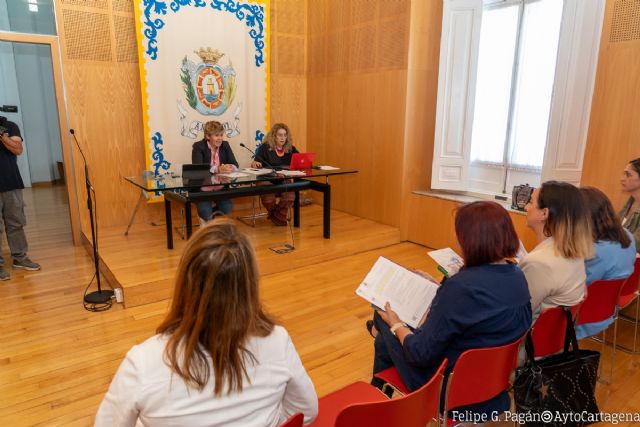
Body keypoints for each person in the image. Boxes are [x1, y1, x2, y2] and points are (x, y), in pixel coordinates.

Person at [95, 220, 318, 426]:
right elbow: (306, 411)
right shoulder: (277, 340)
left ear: (185, 282)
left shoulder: (143, 362)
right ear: (250, 284)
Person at [369, 201, 531, 419]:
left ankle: (378, 401)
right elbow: (477, 307)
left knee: (382, 314)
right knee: (384, 340)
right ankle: (377, 393)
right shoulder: (517, 275)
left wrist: (396, 323)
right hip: (494, 384)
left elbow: (420, 354)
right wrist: (439, 288)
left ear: (470, 239)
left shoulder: (461, 286)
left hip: (448, 390)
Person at [520, 181, 593, 316]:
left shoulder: (539, 262)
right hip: (557, 334)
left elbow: (519, 313)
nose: (525, 207)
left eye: (530, 202)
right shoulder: (574, 251)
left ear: (544, 213)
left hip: (531, 334)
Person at [576, 187, 636, 339]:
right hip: (608, 311)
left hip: (584, 320)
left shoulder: (595, 252)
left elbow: (575, 291)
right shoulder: (627, 235)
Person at [0, 116, 40, 281]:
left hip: (11, 183)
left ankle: (20, 258)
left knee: (15, 222)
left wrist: (2, 136)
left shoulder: (9, 126)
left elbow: (18, 149)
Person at [251, 123, 299, 226]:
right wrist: (255, 164)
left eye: (285, 135)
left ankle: (274, 215)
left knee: (290, 196)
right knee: (268, 199)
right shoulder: (265, 147)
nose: (283, 138)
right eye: (279, 135)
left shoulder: (291, 149)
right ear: (274, 136)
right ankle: (279, 217)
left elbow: (300, 160)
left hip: (283, 179)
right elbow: (255, 163)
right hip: (266, 179)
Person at [191, 121, 239, 222]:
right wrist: (217, 169)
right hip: (203, 188)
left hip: (220, 187)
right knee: (205, 212)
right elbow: (198, 168)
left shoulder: (225, 145)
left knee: (227, 208)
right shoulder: (198, 146)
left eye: (221, 135)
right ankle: (206, 216)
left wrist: (229, 167)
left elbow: (235, 164)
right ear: (207, 136)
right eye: (216, 135)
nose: (220, 138)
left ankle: (209, 217)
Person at [620, 157, 640, 252]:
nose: (622, 179)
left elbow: (636, 243)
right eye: (624, 174)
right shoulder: (630, 202)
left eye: (628, 175)